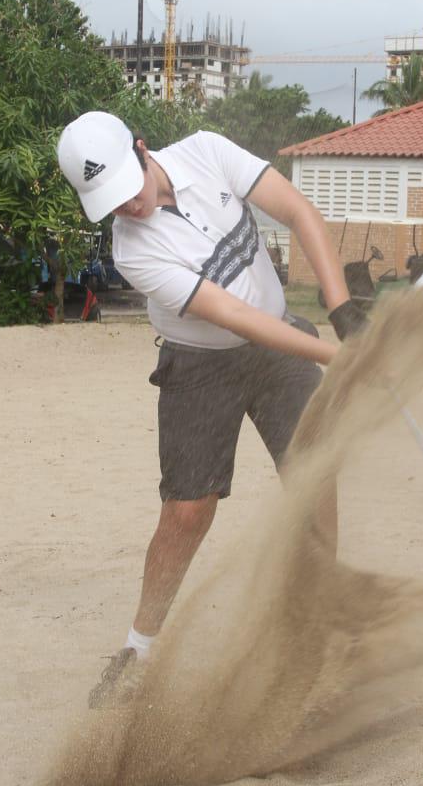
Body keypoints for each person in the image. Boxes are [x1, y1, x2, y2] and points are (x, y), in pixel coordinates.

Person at [57, 110, 366, 705]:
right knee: (188, 511)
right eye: (109, 203)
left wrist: (343, 309)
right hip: (200, 367)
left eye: (128, 189)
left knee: (314, 469)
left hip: (280, 340)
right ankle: (138, 654)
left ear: (143, 150)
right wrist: (334, 356)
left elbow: (300, 212)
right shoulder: (132, 252)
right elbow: (233, 317)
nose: (127, 207)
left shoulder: (208, 152)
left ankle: (319, 612)